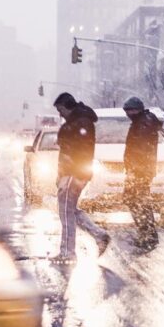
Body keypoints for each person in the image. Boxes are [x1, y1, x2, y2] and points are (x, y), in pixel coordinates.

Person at [52, 92, 110, 262]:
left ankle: (68, 251)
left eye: (60, 109)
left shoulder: (79, 123)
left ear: (67, 106)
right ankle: (98, 235)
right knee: (69, 210)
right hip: (74, 173)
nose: (59, 113)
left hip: (74, 173)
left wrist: (68, 171)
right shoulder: (79, 121)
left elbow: (76, 151)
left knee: (65, 212)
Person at [122, 97, 161, 249]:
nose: (128, 114)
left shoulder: (143, 124)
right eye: (127, 111)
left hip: (140, 171)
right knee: (138, 201)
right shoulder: (141, 122)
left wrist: (134, 170)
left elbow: (141, 150)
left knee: (137, 201)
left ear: (137, 109)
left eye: (130, 110)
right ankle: (147, 233)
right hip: (141, 171)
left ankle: (148, 234)